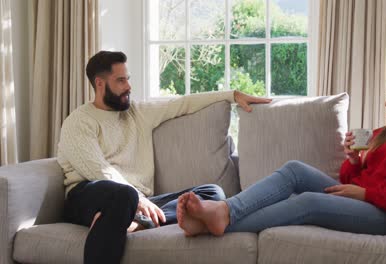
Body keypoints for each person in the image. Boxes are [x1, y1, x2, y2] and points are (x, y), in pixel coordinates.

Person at [57, 50, 271, 264]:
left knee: (212, 194)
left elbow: (181, 104)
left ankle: (135, 221)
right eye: (121, 80)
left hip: (138, 200)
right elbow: (97, 169)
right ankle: (128, 217)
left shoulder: (137, 113)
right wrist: (137, 198)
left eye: (128, 79)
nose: (129, 87)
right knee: (124, 196)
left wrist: (231, 95)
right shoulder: (79, 121)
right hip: (88, 195)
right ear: (100, 83)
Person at [177, 71, 386, 237]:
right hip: (363, 200)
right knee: (295, 169)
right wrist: (353, 161)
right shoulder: (382, 134)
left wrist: (367, 195)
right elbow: (350, 178)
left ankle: (215, 222)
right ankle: (225, 211)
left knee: (309, 202)